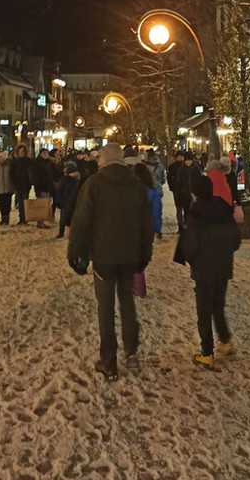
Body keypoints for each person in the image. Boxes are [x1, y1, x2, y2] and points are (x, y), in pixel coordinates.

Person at [68, 142, 155, 382]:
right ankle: (131, 345)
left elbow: (81, 221)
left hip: (104, 255)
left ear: (103, 160)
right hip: (130, 255)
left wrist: (75, 252)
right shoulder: (136, 184)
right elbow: (146, 223)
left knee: (104, 306)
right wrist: (145, 253)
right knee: (126, 299)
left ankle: (108, 361)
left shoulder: (94, 184)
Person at [182, 175, 241, 368]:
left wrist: (190, 258)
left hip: (204, 268)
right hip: (223, 266)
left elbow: (190, 245)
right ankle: (225, 341)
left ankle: (207, 352)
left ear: (195, 192)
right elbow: (236, 239)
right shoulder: (223, 207)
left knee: (204, 310)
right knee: (218, 305)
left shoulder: (196, 213)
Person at [175, 151, 204, 230]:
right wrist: (178, 195)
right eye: (187, 160)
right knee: (187, 212)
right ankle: (187, 228)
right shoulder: (181, 170)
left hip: (195, 195)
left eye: (190, 160)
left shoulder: (196, 169)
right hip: (185, 195)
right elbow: (178, 184)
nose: (189, 162)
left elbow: (200, 182)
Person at [134, 162, 163, 239]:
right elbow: (156, 212)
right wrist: (157, 228)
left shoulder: (129, 190)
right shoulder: (153, 192)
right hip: (147, 226)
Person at [55, 161, 80, 239]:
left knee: (63, 219)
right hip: (74, 201)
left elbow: (59, 190)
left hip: (64, 201)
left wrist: (57, 201)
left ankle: (61, 233)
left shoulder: (64, 179)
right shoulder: (77, 179)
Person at [10, 144, 33, 225]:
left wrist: (31, 181)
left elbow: (32, 171)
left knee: (25, 202)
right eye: (20, 151)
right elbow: (11, 173)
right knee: (20, 203)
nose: (21, 153)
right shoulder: (15, 162)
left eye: (23, 151)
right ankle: (21, 218)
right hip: (18, 185)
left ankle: (25, 218)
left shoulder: (29, 161)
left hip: (26, 185)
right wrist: (13, 182)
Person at [167, 151, 185, 229]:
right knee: (178, 208)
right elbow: (169, 177)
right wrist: (172, 186)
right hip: (176, 190)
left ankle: (186, 225)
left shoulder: (186, 166)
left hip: (186, 190)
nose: (180, 158)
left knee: (186, 208)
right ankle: (180, 225)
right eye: (178, 157)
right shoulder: (172, 167)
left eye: (181, 157)